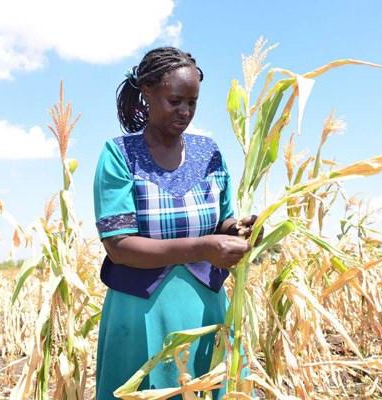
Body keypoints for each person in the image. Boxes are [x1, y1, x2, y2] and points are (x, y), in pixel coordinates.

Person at [93, 46, 261, 400]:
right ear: (147, 93)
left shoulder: (209, 153)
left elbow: (222, 220)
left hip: (206, 308)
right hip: (142, 312)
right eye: (174, 101)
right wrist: (202, 247)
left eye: (192, 102)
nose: (184, 111)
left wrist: (237, 231)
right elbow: (119, 247)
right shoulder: (119, 155)